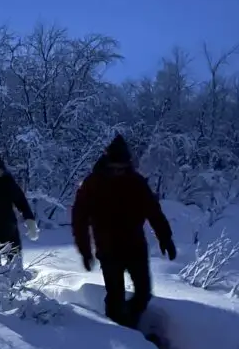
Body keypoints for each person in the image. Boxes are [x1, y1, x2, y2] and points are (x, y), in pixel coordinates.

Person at [71, 134, 176, 329]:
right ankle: (119, 332)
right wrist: (85, 250)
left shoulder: (136, 182)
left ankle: (131, 324)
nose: (119, 172)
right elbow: (79, 220)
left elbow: (153, 210)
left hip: (135, 245)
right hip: (108, 248)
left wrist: (165, 237)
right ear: (107, 164)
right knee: (115, 296)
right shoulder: (92, 184)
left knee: (144, 292)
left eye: (122, 168)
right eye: (114, 168)